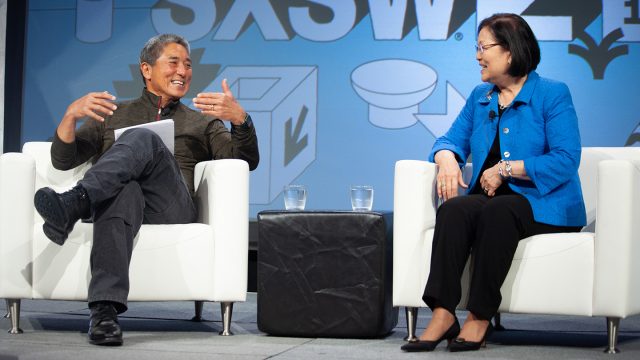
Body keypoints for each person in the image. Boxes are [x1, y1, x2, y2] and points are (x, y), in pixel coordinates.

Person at [33, 34, 259, 346]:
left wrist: (241, 122)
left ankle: (76, 202)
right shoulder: (112, 114)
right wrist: (71, 115)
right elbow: (63, 159)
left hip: (171, 208)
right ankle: (103, 313)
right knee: (123, 192)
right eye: (174, 62)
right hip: (123, 206)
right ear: (147, 69)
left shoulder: (201, 123)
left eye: (188, 65)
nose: (183, 71)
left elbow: (243, 162)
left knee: (143, 139)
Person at [400, 13, 586, 353]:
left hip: (544, 205)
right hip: (490, 202)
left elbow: (566, 158)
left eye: (484, 47)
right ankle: (442, 313)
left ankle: (480, 315)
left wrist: (506, 169)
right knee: (455, 209)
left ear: (511, 52)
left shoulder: (552, 94)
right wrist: (444, 159)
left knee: (499, 210)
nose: (477, 56)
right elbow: (448, 140)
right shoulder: (480, 96)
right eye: (477, 47)